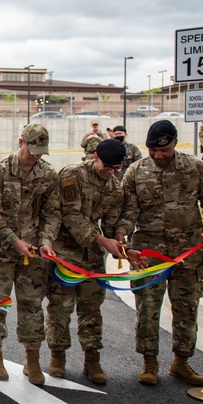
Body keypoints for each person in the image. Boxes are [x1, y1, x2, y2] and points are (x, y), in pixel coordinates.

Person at [116, 120, 203, 386]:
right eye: (153, 151)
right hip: (148, 253)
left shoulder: (196, 168)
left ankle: (181, 362)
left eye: (164, 150)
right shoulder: (135, 171)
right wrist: (123, 239)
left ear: (175, 142)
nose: (158, 156)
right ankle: (149, 362)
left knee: (187, 308)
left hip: (188, 250)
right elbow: (128, 211)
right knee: (147, 309)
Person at [0, 123, 60, 385]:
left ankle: (32, 358)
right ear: (20, 143)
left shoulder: (48, 174)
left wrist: (47, 241)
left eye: (41, 151)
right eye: (32, 150)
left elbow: (52, 212)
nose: (36, 156)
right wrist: (13, 240)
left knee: (32, 305)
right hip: (1, 251)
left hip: (34, 252)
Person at [45, 139, 126, 385]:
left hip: (92, 256)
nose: (109, 172)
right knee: (60, 307)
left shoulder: (114, 187)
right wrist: (103, 240)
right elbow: (71, 215)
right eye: (106, 167)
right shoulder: (72, 175)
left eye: (115, 168)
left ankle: (92, 359)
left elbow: (112, 221)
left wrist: (119, 240)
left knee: (91, 308)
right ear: (95, 158)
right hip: (65, 252)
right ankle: (57, 356)